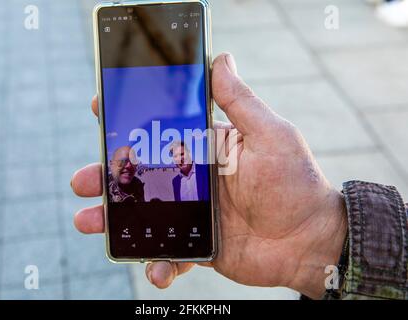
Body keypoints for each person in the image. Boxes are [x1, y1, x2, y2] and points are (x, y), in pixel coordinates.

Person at [71, 53, 408, 300]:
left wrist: (320, 235)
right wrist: (326, 243)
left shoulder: (195, 177)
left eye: (182, 151)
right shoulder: (163, 183)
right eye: (175, 154)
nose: (180, 156)